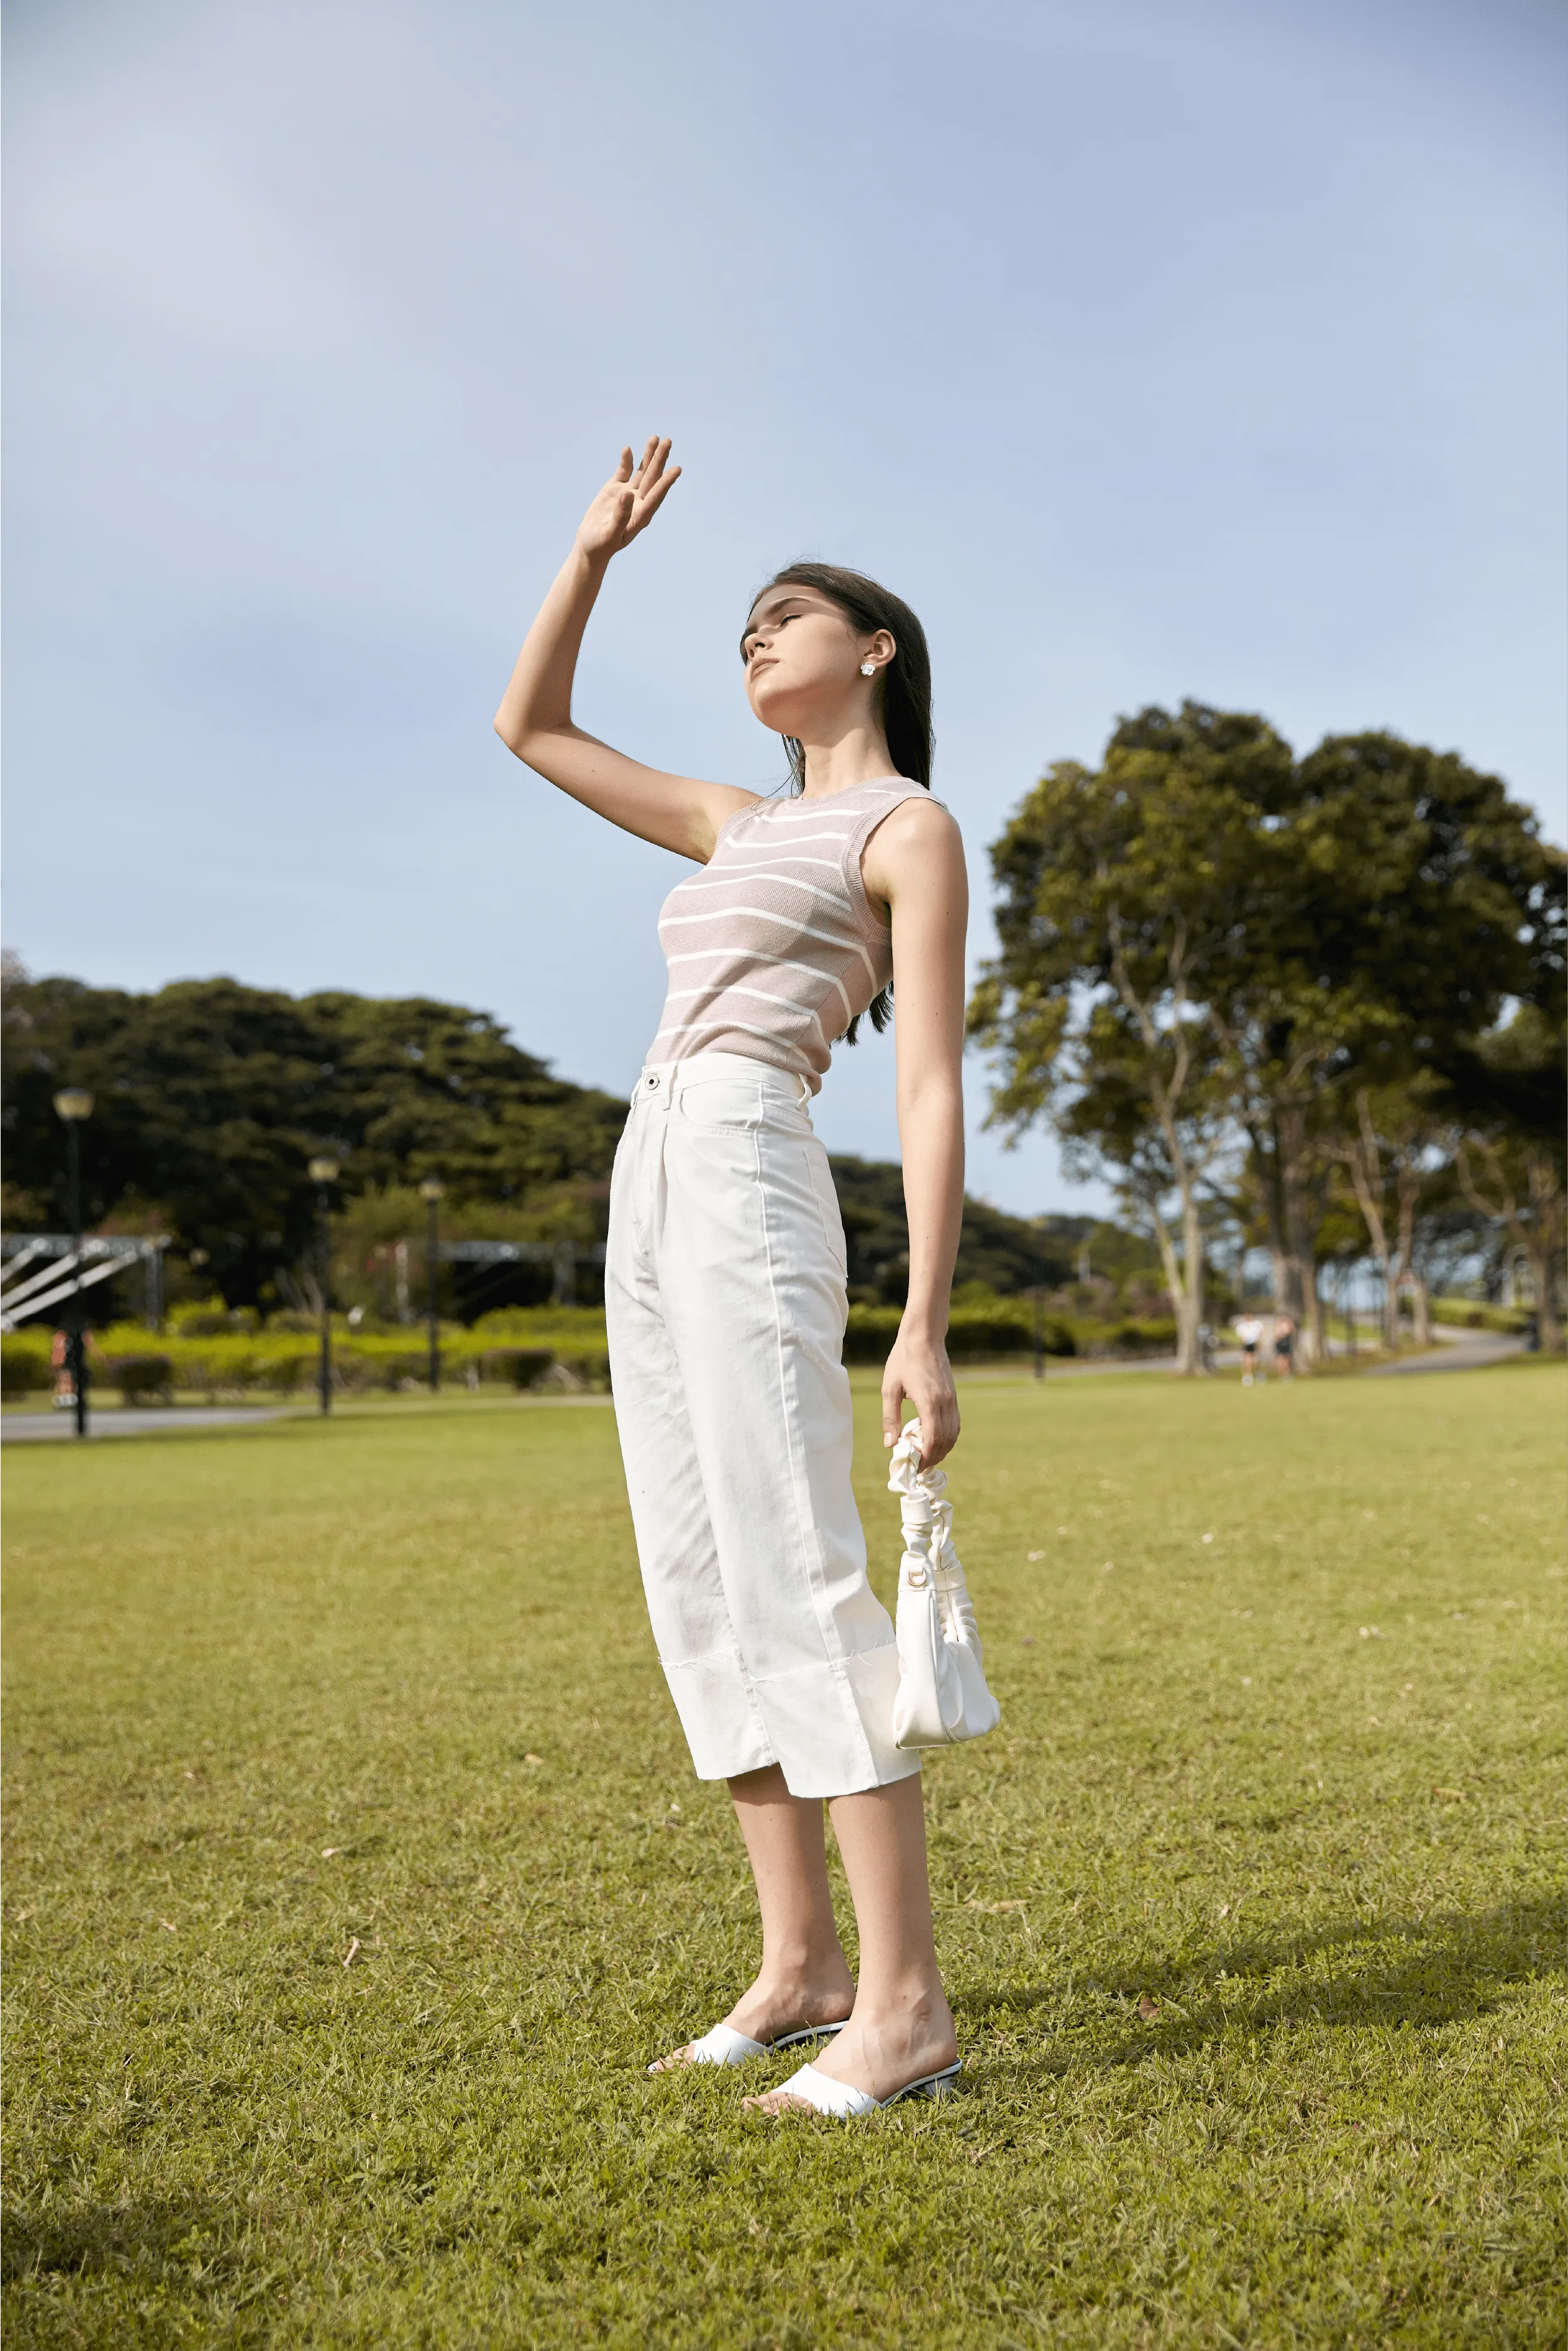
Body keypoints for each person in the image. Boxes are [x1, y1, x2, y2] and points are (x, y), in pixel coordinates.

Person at [493, 438, 967, 2120]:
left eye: (786, 619)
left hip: (761, 1154)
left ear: (877, 648)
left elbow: (921, 1078)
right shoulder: (733, 816)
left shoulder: (907, 825)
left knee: (795, 1562)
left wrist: (919, 1317)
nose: (756, 643)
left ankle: (901, 2002)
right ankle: (799, 1965)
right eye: (743, 633)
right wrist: (589, 552)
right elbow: (530, 729)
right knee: (695, 1567)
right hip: (653, 1158)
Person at [1234, 1310, 1263, 1386]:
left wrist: (1258, 1344)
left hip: (1253, 1343)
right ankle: (1247, 1375)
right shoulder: (1241, 1326)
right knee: (1246, 1360)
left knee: (1254, 1360)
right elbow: (1241, 1337)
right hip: (1246, 1344)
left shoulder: (1256, 1325)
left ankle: (1255, 1374)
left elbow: (1260, 1334)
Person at [1272, 1310, 1297, 1378]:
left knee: (1287, 1359)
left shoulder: (1288, 1324)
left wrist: (1289, 1323)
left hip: (1286, 1342)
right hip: (1280, 1343)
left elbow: (1292, 1330)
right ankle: (1281, 1374)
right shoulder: (1278, 1325)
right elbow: (1277, 1335)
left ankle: (1287, 1374)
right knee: (1280, 1359)